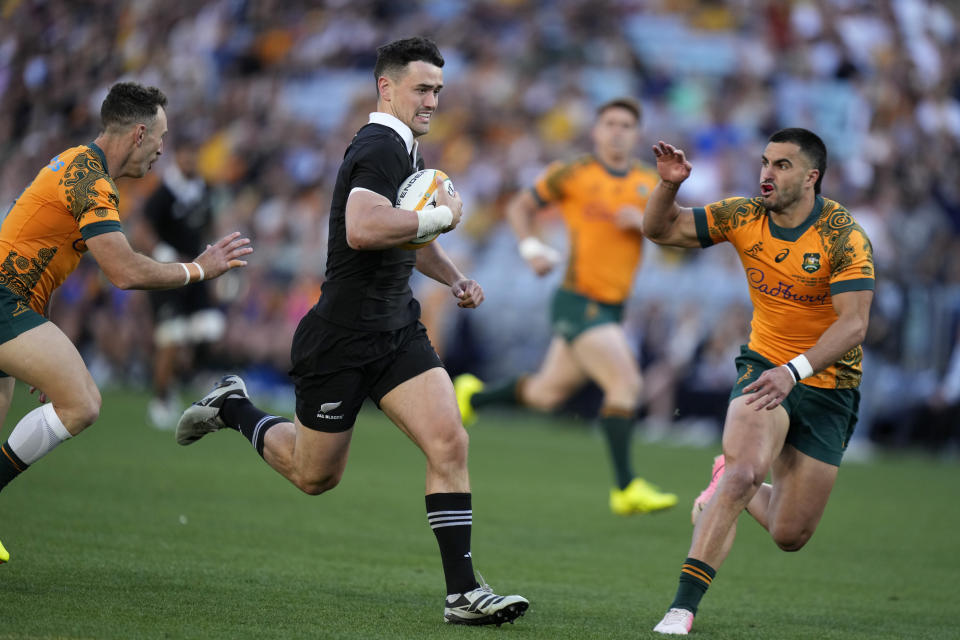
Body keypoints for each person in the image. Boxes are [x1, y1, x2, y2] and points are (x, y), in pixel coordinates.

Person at [175, 37, 529, 627]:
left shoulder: (408, 150)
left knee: (450, 442)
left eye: (438, 90)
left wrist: (454, 275)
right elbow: (364, 229)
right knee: (316, 477)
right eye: (422, 88)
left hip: (396, 330)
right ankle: (234, 407)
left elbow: (406, 238)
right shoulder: (378, 145)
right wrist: (441, 215)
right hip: (340, 338)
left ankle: (462, 593)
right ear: (385, 87)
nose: (433, 100)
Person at [0, 81, 253, 563]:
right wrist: (200, 268)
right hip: (3, 301)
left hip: (15, 305)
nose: (162, 149)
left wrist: (38, 333)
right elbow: (123, 270)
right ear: (138, 134)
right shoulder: (89, 179)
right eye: (160, 137)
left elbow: (32, 246)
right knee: (83, 404)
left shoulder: (79, 166)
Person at [643, 129, 874, 635]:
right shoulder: (743, 214)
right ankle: (682, 608)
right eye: (766, 162)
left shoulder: (843, 235)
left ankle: (722, 483)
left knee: (790, 535)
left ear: (811, 177)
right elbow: (662, 231)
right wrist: (668, 188)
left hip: (828, 385)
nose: (767, 173)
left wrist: (797, 372)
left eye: (783, 165)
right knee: (746, 473)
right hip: (764, 367)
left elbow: (854, 324)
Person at [453, 98, 678, 516]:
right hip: (578, 300)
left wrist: (648, 226)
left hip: (612, 308)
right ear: (596, 131)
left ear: (636, 134)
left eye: (626, 125)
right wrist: (532, 247)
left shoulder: (650, 183)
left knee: (545, 395)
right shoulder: (574, 173)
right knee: (626, 385)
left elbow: (673, 233)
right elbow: (521, 207)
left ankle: (474, 396)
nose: (616, 131)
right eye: (609, 123)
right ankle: (626, 487)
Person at [134, 135, 225, 429]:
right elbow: (142, 230)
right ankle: (161, 398)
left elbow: (210, 227)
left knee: (210, 328)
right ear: (177, 156)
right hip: (169, 276)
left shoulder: (203, 191)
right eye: (186, 154)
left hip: (197, 273)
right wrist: (163, 253)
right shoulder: (163, 192)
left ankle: (188, 378)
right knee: (171, 337)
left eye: (194, 154)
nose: (190, 160)